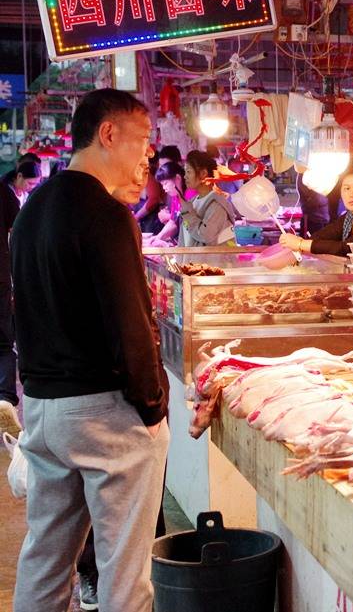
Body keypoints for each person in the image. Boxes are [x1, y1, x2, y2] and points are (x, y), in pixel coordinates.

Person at [11, 88, 169, 612]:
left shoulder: (32, 208)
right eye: (143, 140)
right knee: (125, 571)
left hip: (44, 409)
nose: (147, 154)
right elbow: (131, 323)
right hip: (103, 412)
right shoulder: (104, 213)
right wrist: (152, 407)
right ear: (108, 134)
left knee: (45, 561)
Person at [0, 152, 21, 437]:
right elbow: (15, 233)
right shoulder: (3, 193)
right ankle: (4, 399)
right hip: (0, 277)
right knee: (3, 344)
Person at [179, 150, 235, 246]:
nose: (185, 177)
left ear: (203, 173)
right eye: (185, 172)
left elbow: (205, 235)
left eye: (188, 172)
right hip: (191, 261)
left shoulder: (217, 205)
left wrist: (187, 214)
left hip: (208, 261)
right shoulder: (192, 202)